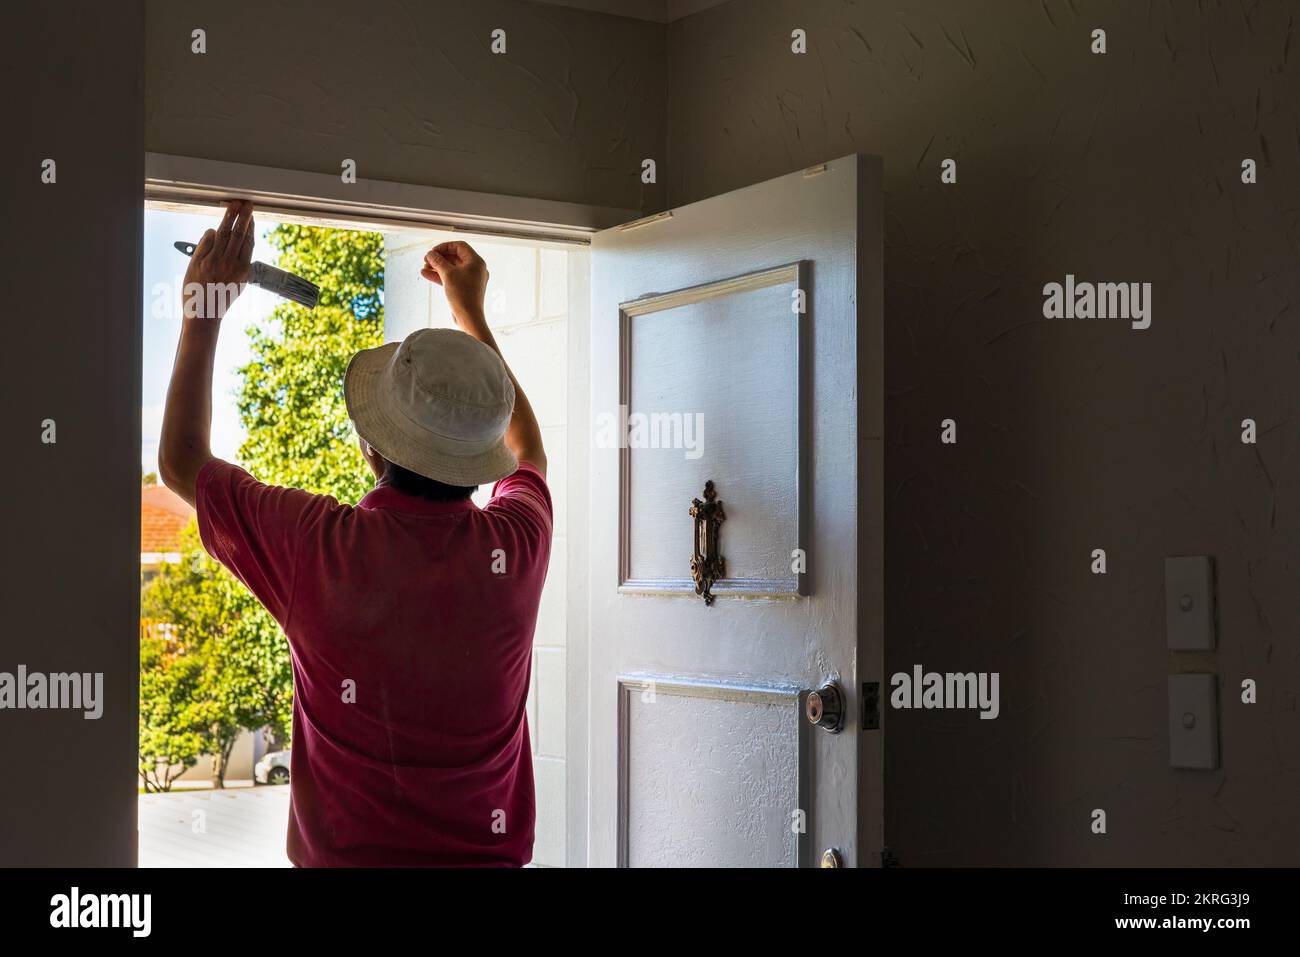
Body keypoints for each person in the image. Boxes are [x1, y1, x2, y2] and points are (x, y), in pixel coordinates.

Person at [159, 200, 551, 866]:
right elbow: (529, 451)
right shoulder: (515, 547)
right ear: (480, 462)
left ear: (372, 450)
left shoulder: (319, 547)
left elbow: (179, 463)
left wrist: (202, 309)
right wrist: (473, 317)